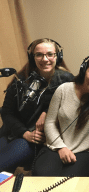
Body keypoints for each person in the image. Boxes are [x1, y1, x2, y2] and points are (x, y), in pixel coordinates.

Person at [33, 55, 89, 176]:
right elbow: (50, 122)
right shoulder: (63, 90)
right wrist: (60, 148)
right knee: (42, 177)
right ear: (83, 70)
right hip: (56, 148)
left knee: (70, 183)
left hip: (85, 152)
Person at [0, 38, 74, 173]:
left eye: (50, 54)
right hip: (14, 132)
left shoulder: (67, 79)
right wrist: (24, 133)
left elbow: (72, 106)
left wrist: (47, 112)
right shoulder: (21, 79)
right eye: (39, 54)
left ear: (57, 56)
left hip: (36, 140)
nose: (45, 59)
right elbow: (6, 112)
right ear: (32, 57)